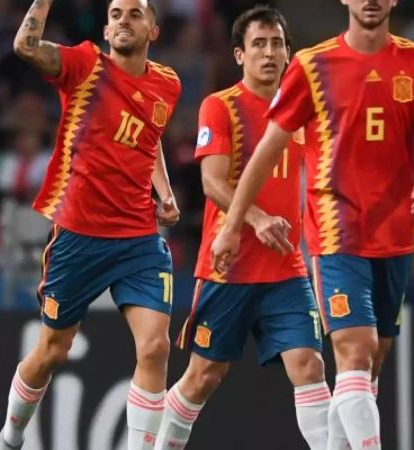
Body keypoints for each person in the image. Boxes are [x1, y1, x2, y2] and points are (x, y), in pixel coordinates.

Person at [212, 1, 414, 449]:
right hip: (336, 230)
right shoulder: (312, 65)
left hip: (396, 235)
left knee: (370, 362)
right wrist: (231, 226)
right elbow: (267, 150)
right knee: (353, 350)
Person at [0, 1, 181, 449]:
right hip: (78, 237)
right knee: (52, 352)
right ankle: (11, 436)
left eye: (135, 13)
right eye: (116, 13)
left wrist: (165, 190)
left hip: (138, 237)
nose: (123, 20)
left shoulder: (167, 84)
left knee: (156, 347)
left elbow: (148, 136)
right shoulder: (84, 65)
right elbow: (25, 45)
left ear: (153, 30)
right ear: (105, 28)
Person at [154, 6, 328, 449]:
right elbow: (212, 182)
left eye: (277, 44)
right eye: (259, 44)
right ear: (239, 54)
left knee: (309, 365)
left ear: (289, 53)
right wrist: (256, 218)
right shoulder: (220, 106)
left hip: (286, 268)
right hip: (227, 266)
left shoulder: (305, 114)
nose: (269, 53)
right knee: (203, 376)